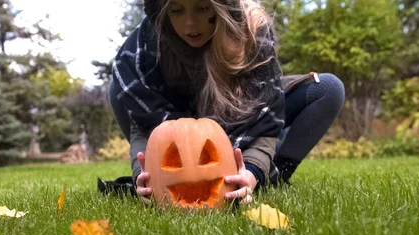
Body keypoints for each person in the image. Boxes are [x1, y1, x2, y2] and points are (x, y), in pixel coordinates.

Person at [101, 0, 345, 204]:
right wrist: (142, 176)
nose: (190, 23)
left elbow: (266, 120)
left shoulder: (253, 29)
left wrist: (252, 172)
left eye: (203, 8)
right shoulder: (144, 47)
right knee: (117, 89)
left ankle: (272, 177)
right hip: (175, 119)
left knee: (328, 88)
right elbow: (144, 124)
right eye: (177, 10)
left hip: (241, 113)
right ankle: (160, 172)